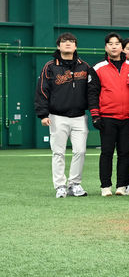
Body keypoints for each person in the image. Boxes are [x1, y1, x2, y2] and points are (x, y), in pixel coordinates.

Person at [35, 32, 99, 198]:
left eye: (71, 41)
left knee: (80, 151)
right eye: (64, 41)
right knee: (58, 153)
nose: (68, 43)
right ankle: (60, 186)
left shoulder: (84, 67)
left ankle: (74, 184)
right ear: (59, 46)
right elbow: (42, 91)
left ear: (76, 46)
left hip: (79, 117)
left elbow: (92, 91)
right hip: (57, 117)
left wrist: (94, 112)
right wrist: (43, 114)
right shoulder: (50, 67)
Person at [92, 33, 129, 196]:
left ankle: (121, 186)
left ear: (122, 47)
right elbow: (92, 92)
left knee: (125, 153)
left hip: (128, 118)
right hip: (107, 117)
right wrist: (95, 115)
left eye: (117, 43)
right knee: (107, 152)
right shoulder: (98, 68)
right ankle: (105, 186)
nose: (114, 46)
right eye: (110, 44)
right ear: (106, 47)